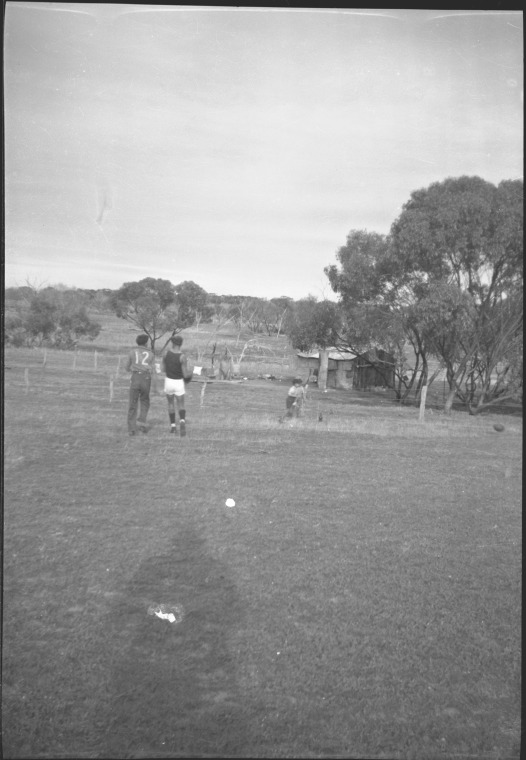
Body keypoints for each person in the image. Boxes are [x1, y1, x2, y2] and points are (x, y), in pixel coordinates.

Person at [162, 335, 192, 436]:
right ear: (181, 344)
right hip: (178, 382)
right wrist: (190, 374)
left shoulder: (166, 353)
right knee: (181, 404)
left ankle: (173, 427)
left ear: (172, 343)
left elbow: (163, 369)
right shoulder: (182, 357)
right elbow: (185, 374)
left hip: (168, 381)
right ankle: (182, 421)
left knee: (171, 404)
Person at [125, 334, 155, 436]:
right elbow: (152, 368)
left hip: (135, 378)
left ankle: (131, 429)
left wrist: (133, 370)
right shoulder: (151, 353)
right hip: (146, 378)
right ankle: (142, 424)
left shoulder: (132, 352)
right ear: (146, 343)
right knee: (145, 401)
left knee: (133, 403)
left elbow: (126, 367)